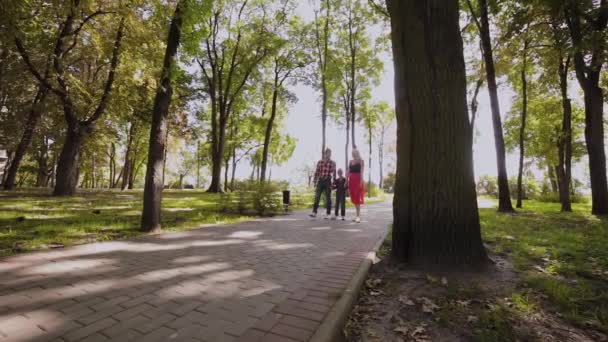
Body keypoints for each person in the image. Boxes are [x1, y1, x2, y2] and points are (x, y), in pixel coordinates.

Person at [310, 148, 336, 219]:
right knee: (317, 196)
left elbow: (333, 173)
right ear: (325, 154)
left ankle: (328, 214)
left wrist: (333, 183)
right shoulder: (320, 162)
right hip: (320, 181)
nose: (329, 155)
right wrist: (315, 181)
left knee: (328, 198)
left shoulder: (332, 162)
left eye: (330, 154)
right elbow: (317, 172)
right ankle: (314, 212)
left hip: (328, 180)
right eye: (328, 153)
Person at [348, 148, 365, 223]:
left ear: (357, 153)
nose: (353, 154)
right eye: (352, 153)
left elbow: (361, 172)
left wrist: (361, 181)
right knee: (354, 198)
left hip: (358, 180)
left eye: (354, 152)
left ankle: (358, 216)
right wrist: (346, 180)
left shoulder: (361, 161)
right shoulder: (350, 161)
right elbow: (348, 171)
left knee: (357, 198)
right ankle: (357, 216)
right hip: (351, 181)